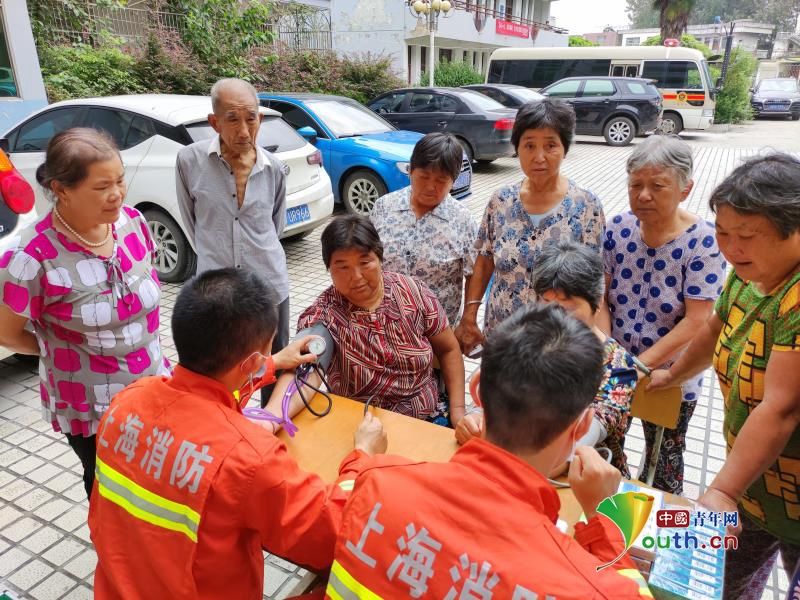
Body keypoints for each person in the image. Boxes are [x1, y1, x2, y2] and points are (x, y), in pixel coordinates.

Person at [89, 268, 387, 599]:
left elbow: (202, 398)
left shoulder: (127, 402)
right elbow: (333, 532)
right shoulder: (249, 459)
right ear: (248, 364)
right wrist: (363, 456)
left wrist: (269, 364)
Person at [325, 304, 652, 599]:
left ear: (476, 389)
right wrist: (602, 514)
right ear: (582, 428)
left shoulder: (373, 483)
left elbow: (336, 504)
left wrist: (363, 455)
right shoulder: (586, 586)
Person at [648, 154, 800, 600]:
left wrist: (721, 490)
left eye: (747, 236)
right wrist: (673, 375)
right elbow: (716, 328)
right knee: (694, 584)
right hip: (753, 486)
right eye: (723, 233)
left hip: (778, 496)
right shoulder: (746, 275)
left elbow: (782, 406)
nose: (730, 248)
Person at [0, 128, 170, 499]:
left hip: (153, 382)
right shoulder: (33, 258)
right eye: (101, 187)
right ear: (61, 189)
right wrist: (57, 346)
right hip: (93, 407)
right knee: (111, 487)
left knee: (156, 479)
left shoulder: (130, 223)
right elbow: (6, 332)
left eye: (120, 180)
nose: (117, 194)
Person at [601, 135, 726, 495]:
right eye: (635, 184)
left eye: (657, 186)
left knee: (665, 458)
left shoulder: (704, 241)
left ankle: (657, 530)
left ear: (686, 189)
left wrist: (639, 366)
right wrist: (612, 355)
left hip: (671, 374)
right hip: (618, 367)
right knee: (607, 447)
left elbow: (698, 320)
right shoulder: (618, 228)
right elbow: (601, 299)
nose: (643, 195)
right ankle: (611, 522)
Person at [457, 242, 639, 478]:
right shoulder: (524, 338)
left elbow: (578, 442)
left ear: (598, 302)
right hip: (512, 468)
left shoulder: (619, 367)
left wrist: (496, 442)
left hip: (584, 482)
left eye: (569, 307)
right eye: (546, 302)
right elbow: (494, 401)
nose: (556, 316)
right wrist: (474, 420)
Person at [276, 214, 466, 427]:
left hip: (427, 416)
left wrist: (458, 410)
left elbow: (449, 350)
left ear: (380, 259)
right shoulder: (325, 314)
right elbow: (303, 373)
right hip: (360, 425)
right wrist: (272, 418)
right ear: (329, 269)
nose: (356, 276)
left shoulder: (413, 292)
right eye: (342, 266)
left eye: (364, 262)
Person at [455, 99, 605, 356]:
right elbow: (484, 258)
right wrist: (470, 315)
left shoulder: (586, 206)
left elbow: (593, 280)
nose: (539, 157)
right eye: (529, 145)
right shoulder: (500, 201)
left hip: (557, 342)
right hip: (502, 333)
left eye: (550, 145)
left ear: (564, 149)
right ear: (517, 149)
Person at [176, 78, 289, 408]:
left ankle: (272, 424)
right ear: (214, 122)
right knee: (220, 368)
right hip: (216, 291)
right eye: (232, 119)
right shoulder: (189, 161)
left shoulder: (274, 170)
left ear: (260, 119)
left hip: (268, 284)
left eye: (251, 118)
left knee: (275, 363)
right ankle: (229, 425)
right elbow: (191, 221)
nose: (243, 130)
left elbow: (275, 228)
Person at [370, 132, 478, 326]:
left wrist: (468, 320)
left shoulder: (463, 221)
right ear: (410, 171)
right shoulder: (383, 207)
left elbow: (474, 273)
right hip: (385, 327)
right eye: (424, 176)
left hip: (437, 335)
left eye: (441, 180)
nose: (430, 186)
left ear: (453, 180)